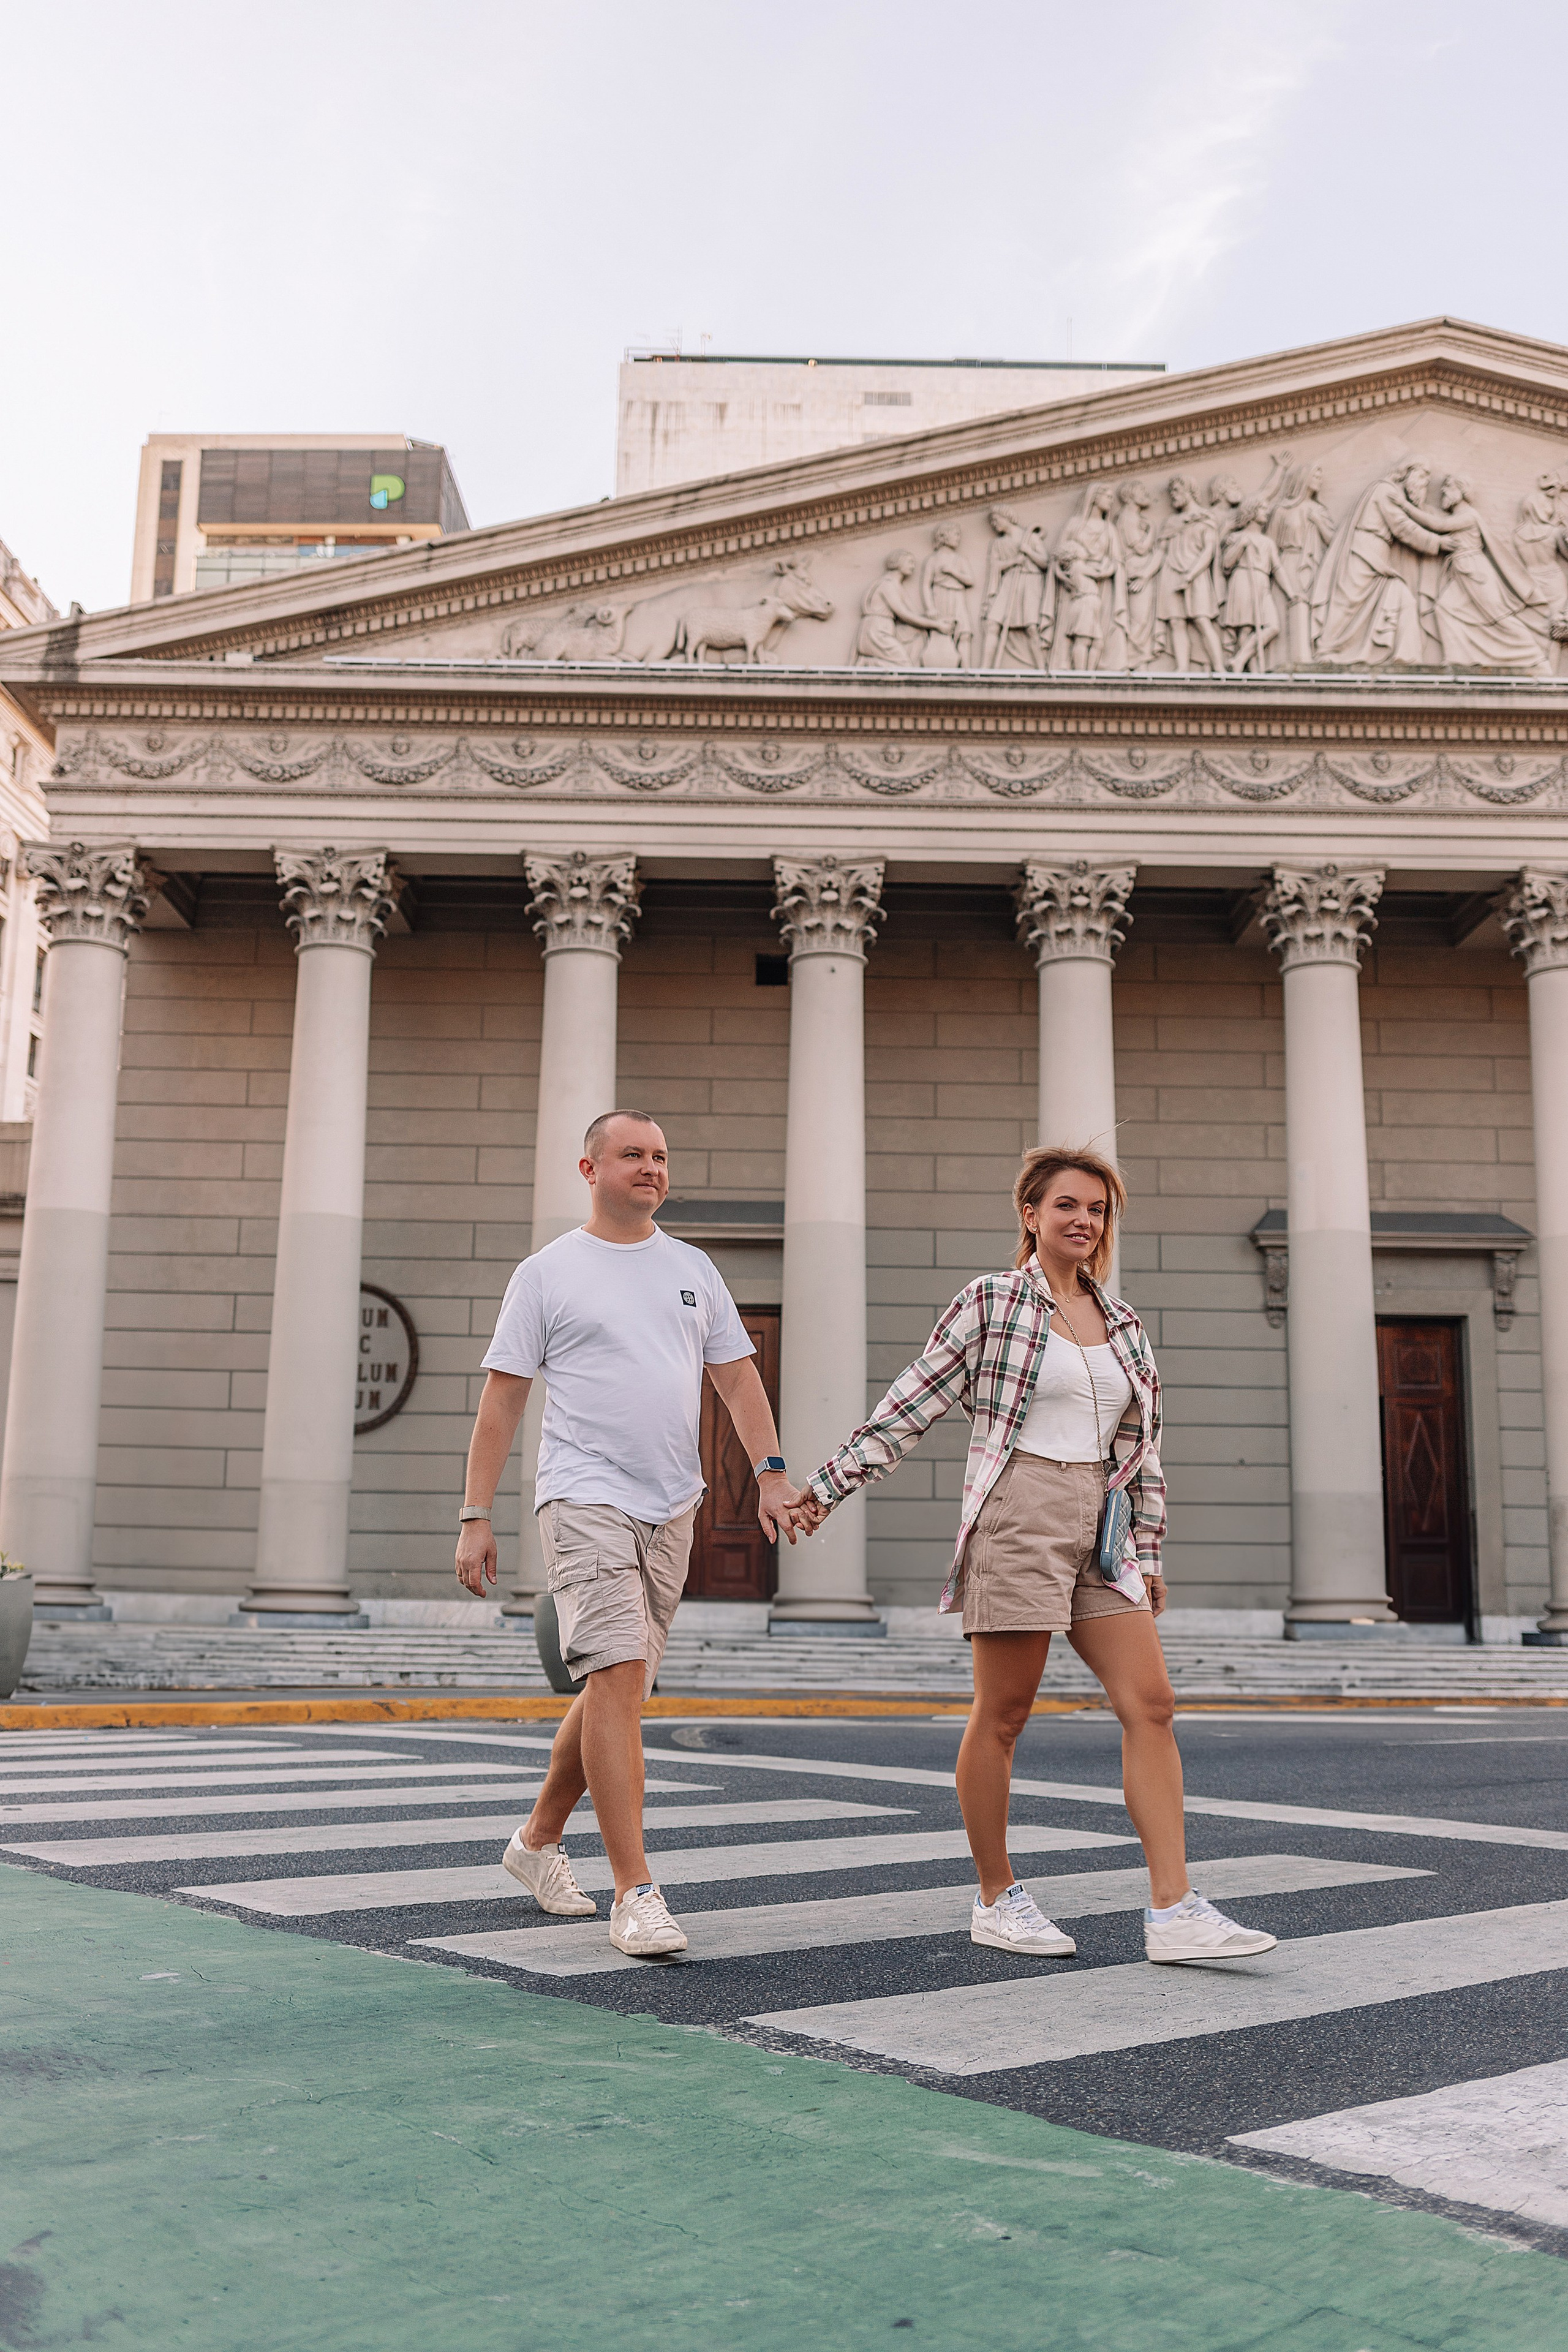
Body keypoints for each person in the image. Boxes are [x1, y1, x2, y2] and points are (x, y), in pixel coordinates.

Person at [799, 1145, 1278, 1967]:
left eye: (1096, 1209)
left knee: (1152, 1702)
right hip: (1018, 1508)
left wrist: (1148, 1549)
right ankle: (996, 1896)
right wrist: (827, 1485)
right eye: (1067, 1206)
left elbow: (1145, 1449)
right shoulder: (991, 1301)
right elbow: (911, 1403)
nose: (1084, 1221)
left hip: (1103, 1520)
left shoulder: (1122, 1323)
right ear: (1031, 1215)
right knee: (1006, 1712)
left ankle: (1174, 1909)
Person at [454, 1109, 813, 1957]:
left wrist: (769, 1472)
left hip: (674, 1505)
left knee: (620, 1688)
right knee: (616, 1676)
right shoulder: (548, 1274)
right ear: (590, 1170)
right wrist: (475, 1514)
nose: (651, 1169)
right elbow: (503, 1400)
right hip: (583, 1496)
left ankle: (537, 1844)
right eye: (632, 1156)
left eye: (659, 1156)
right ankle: (636, 1890)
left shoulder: (692, 1269)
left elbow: (736, 1378)